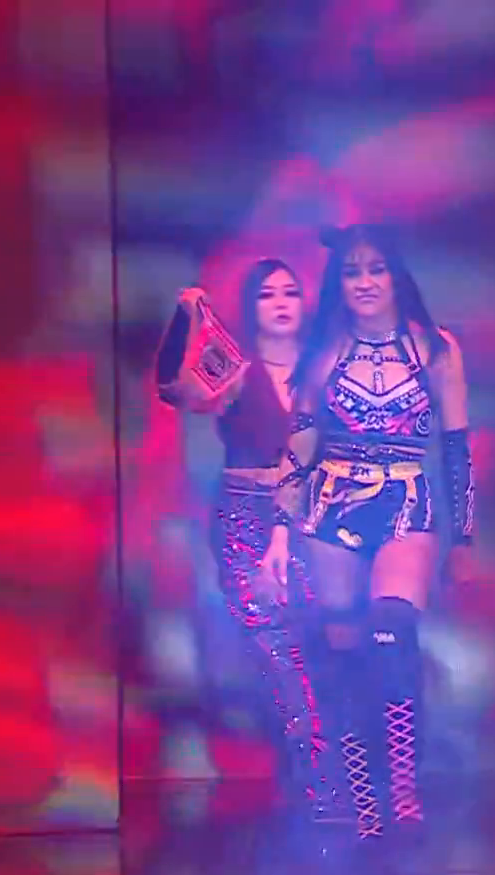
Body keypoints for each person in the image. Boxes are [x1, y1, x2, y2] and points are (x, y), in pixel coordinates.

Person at [263, 225, 474, 840]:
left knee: (392, 630)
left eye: (375, 269)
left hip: (406, 501)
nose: (364, 282)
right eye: (352, 271)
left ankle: (403, 790)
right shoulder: (322, 351)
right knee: (344, 654)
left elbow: (456, 447)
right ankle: (362, 797)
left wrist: (464, 538)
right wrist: (280, 530)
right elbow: (300, 445)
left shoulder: (436, 349)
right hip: (332, 508)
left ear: (395, 275)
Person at [154, 259, 337, 818]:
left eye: (289, 292)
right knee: (276, 647)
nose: (280, 303)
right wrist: (186, 317)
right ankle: (310, 778)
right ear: (251, 307)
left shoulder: (325, 369)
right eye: (267, 295)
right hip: (246, 518)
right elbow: (175, 389)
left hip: (317, 522)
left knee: (319, 648)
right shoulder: (235, 369)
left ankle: (319, 775)